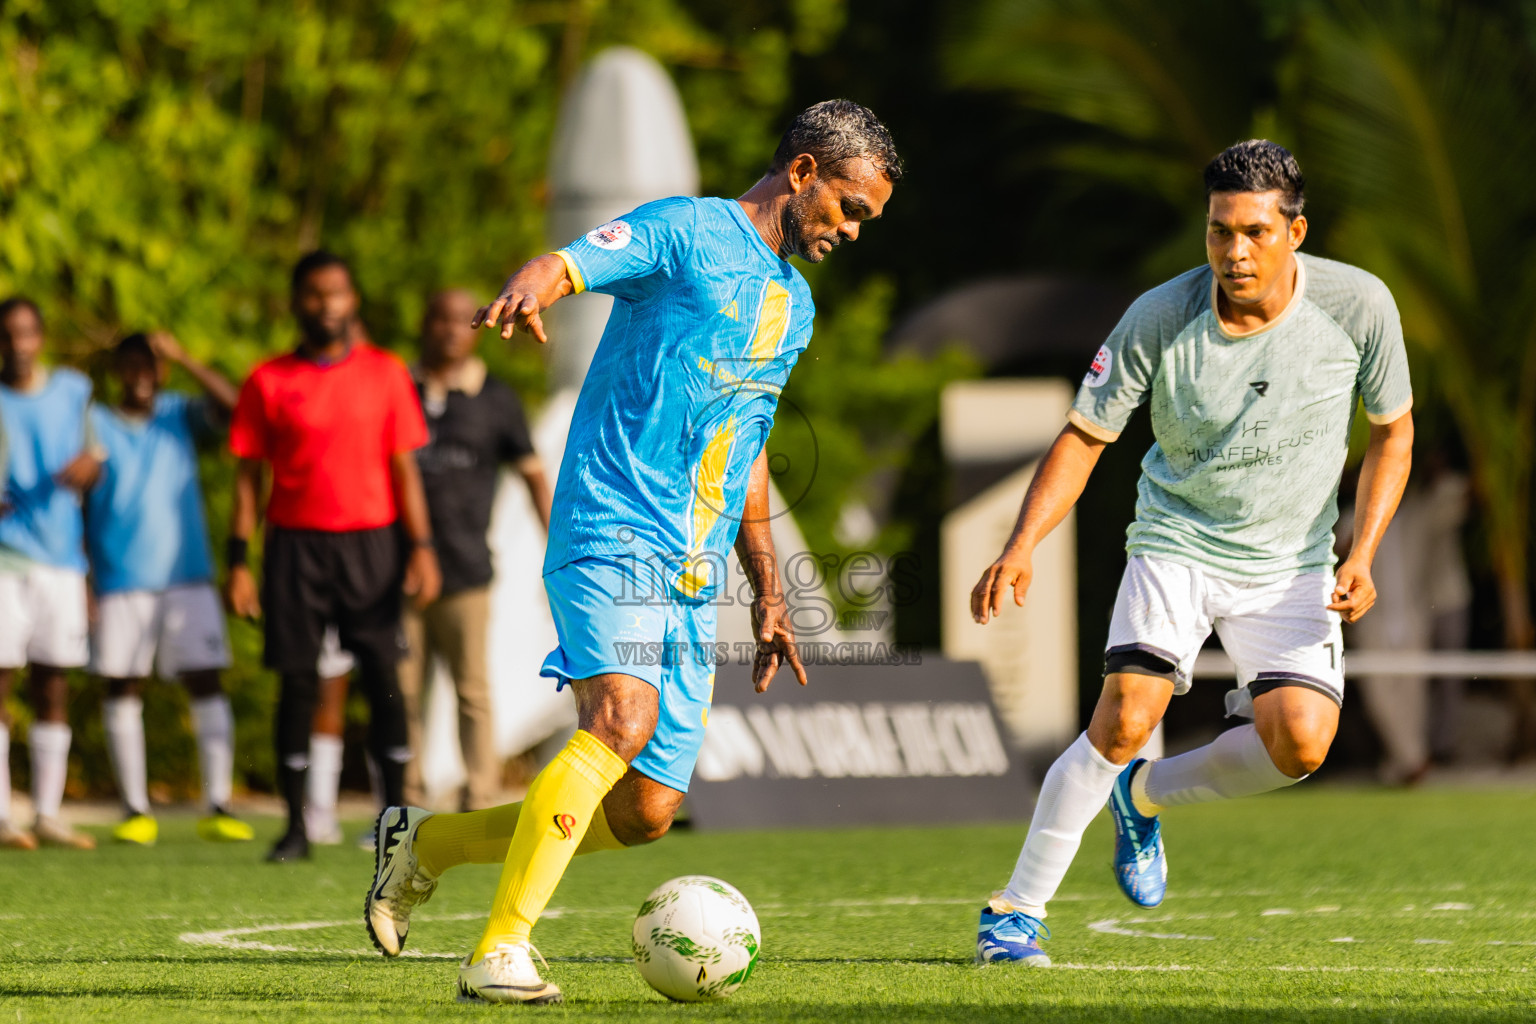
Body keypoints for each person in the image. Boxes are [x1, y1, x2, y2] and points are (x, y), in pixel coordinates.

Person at [363, 99, 900, 1004]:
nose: (852, 231)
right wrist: (535, 286)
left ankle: (425, 844)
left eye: (867, 222)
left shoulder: (793, 307)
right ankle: (499, 949)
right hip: (611, 524)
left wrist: (768, 590)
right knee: (617, 719)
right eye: (850, 208)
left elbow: (750, 443)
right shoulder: (686, 229)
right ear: (805, 172)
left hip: (694, 570)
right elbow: (572, 261)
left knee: (646, 811)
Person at [968, 140, 1414, 966]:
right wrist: (1022, 542)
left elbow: (1393, 433)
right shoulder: (1160, 315)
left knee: (1302, 745)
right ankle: (1013, 914)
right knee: (1127, 714)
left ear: (1295, 232)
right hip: (1176, 542)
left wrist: (1363, 552)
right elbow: (1084, 436)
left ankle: (1143, 796)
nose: (1233, 253)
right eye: (1218, 232)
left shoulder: (1359, 306)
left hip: (1292, 562)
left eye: (1252, 232)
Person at [226, 251, 441, 862]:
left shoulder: (386, 373)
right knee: (297, 683)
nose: (327, 305)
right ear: (297, 303)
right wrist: (238, 561)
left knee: (383, 679)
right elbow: (247, 479)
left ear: (353, 301)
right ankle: (295, 827)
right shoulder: (267, 381)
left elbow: (405, 468)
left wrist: (421, 548)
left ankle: (397, 824)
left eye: (338, 293)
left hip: (372, 543)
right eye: (315, 295)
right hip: (294, 546)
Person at [85, 331, 254, 844]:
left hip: (187, 576)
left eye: (151, 366)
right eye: (131, 365)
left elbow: (242, 408)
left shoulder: (180, 412)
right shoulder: (92, 422)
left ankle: (218, 803)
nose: (142, 374)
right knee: (123, 685)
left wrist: (184, 355)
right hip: (118, 580)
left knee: (206, 680)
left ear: (162, 372)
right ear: (117, 370)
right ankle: (134, 808)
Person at [399, 288, 553, 812]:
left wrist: (558, 550)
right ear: (424, 324)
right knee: (402, 695)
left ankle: (479, 797)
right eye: (437, 318)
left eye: (458, 320)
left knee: (471, 691)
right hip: (398, 572)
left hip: (467, 570)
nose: (447, 329)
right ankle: (406, 805)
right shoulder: (398, 389)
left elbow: (533, 478)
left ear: (476, 326)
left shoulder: (497, 399)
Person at [0, 297, 102, 851]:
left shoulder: (72, 390)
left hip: (62, 559)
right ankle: (0, 818)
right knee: (1, 680)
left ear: (41, 337)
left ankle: (47, 814)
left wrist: (91, 466)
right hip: (5, 559)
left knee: (54, 682)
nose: (19, 345)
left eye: (27, 333)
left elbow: (95, 457)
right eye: (8, 335)